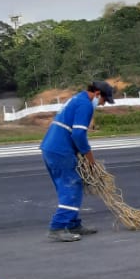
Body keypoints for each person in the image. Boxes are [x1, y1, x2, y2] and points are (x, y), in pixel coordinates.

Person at [40, 80, 115, 241]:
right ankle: (57, 227)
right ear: (97, 94)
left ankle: (73, 224)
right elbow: (78, 135)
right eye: (103, 100)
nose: (102, 105)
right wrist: (90, 160)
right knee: (72, 187)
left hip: (52, 148)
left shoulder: (77, 99)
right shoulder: (85, 105)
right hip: (61, 150)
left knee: (68, 187)